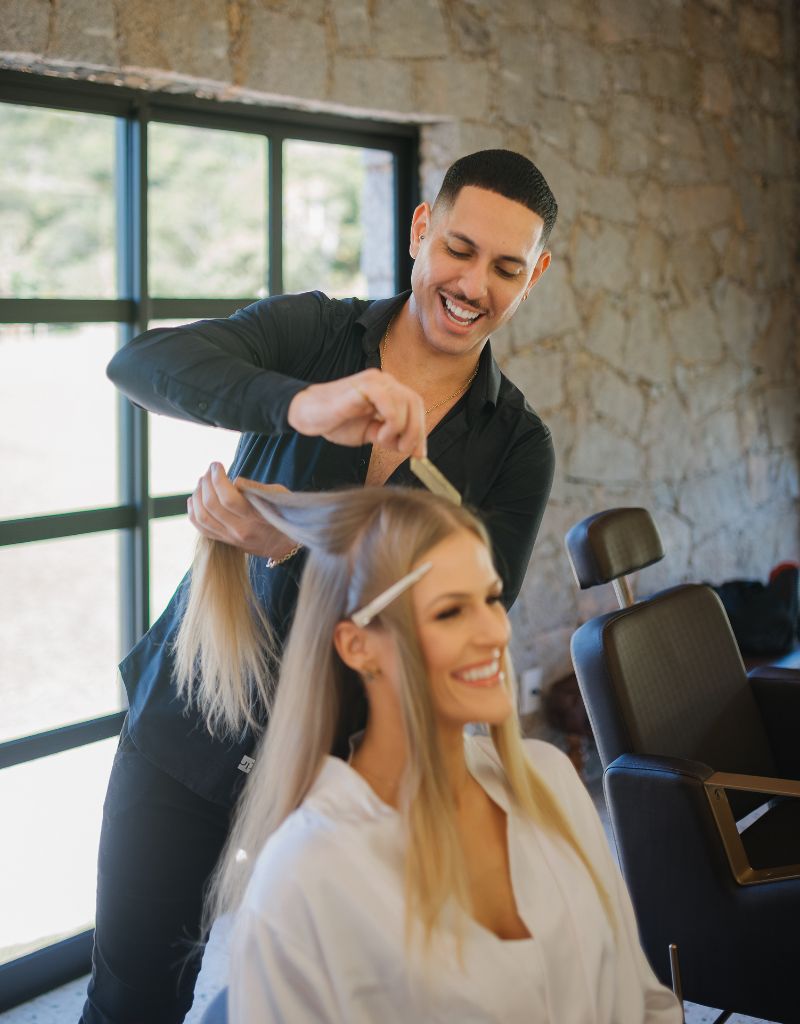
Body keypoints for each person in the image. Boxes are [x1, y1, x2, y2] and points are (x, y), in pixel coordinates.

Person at [85, 149, 558, 1023]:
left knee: (323, 1002)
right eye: (458, 248)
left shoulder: (517, 448)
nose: (472, 283)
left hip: (345, 770)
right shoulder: (316, 334)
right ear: (422, 229)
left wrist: (294, 536)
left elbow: (461, 614)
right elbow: (142, 366)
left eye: (505, 268)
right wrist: (304, 405)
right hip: (190, 721)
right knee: (130, 995)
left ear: (535, 275)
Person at [189, 484, 681, 1022]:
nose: (495, 631)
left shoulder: (551, 783)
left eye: (491, 599)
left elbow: (646, 1000)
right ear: (358, 646)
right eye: (451, 612)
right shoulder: (308, 874)